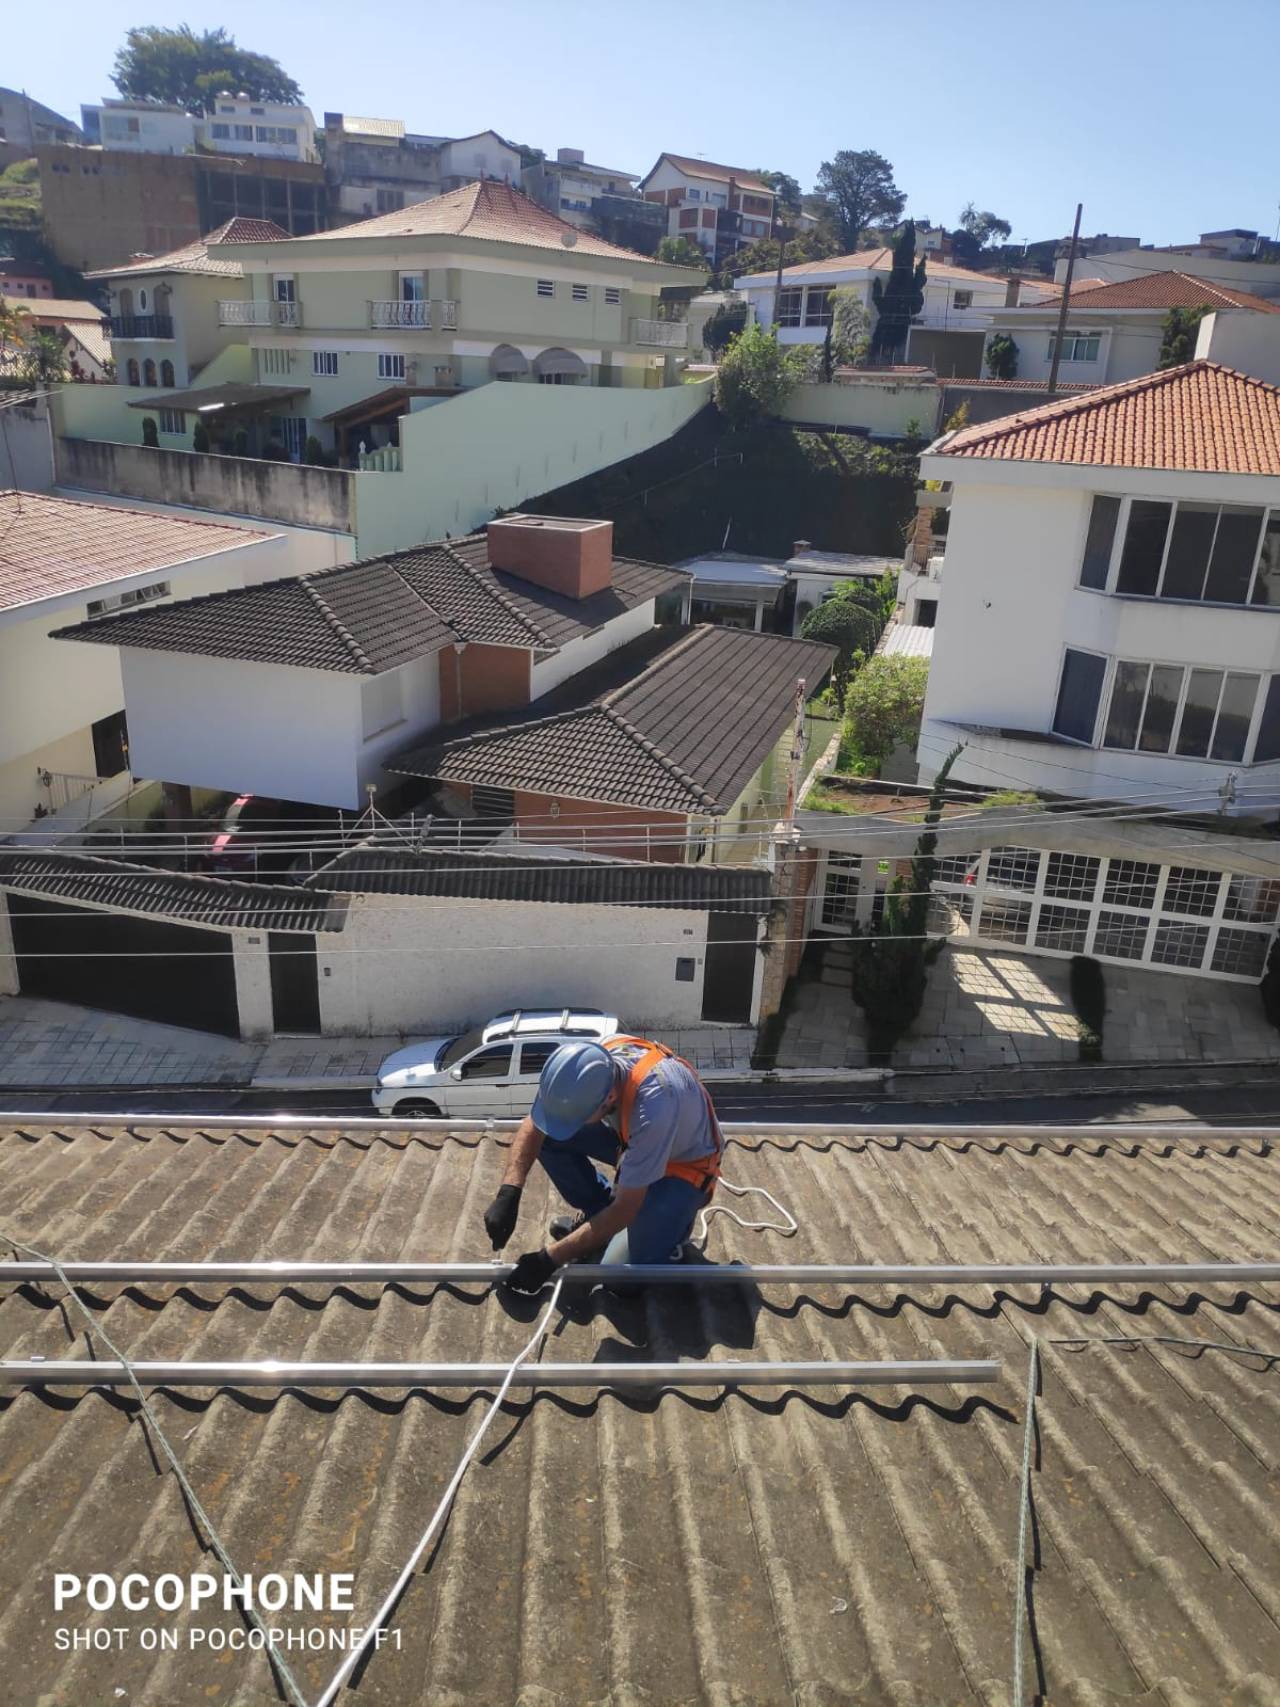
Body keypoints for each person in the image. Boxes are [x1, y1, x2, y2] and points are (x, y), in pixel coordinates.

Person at [482, 1034, 723, 1294]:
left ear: (608, 1099)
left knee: (619, 1277)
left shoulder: (655, 1106)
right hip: (634, 1140)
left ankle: (671, 1234)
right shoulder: (589, 1062)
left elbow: (625, 1209)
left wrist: (549, 1259)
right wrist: (510, 1191)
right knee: (552, 1134)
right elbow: (536, 1123)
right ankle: (598, 1210)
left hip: (682, 1168)